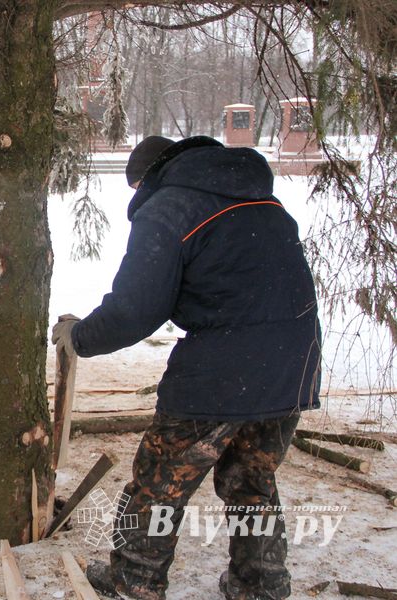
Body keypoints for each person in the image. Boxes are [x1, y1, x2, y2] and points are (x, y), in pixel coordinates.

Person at [52, 136, 321, 600]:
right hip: (292, 364)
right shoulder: (262, 199)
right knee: (252, 480)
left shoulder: (169, 206)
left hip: (221, 369)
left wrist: (80, 337)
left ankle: (132, 581)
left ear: (146, 178)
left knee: (159, 481)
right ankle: (261, 585)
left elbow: (136, 308)